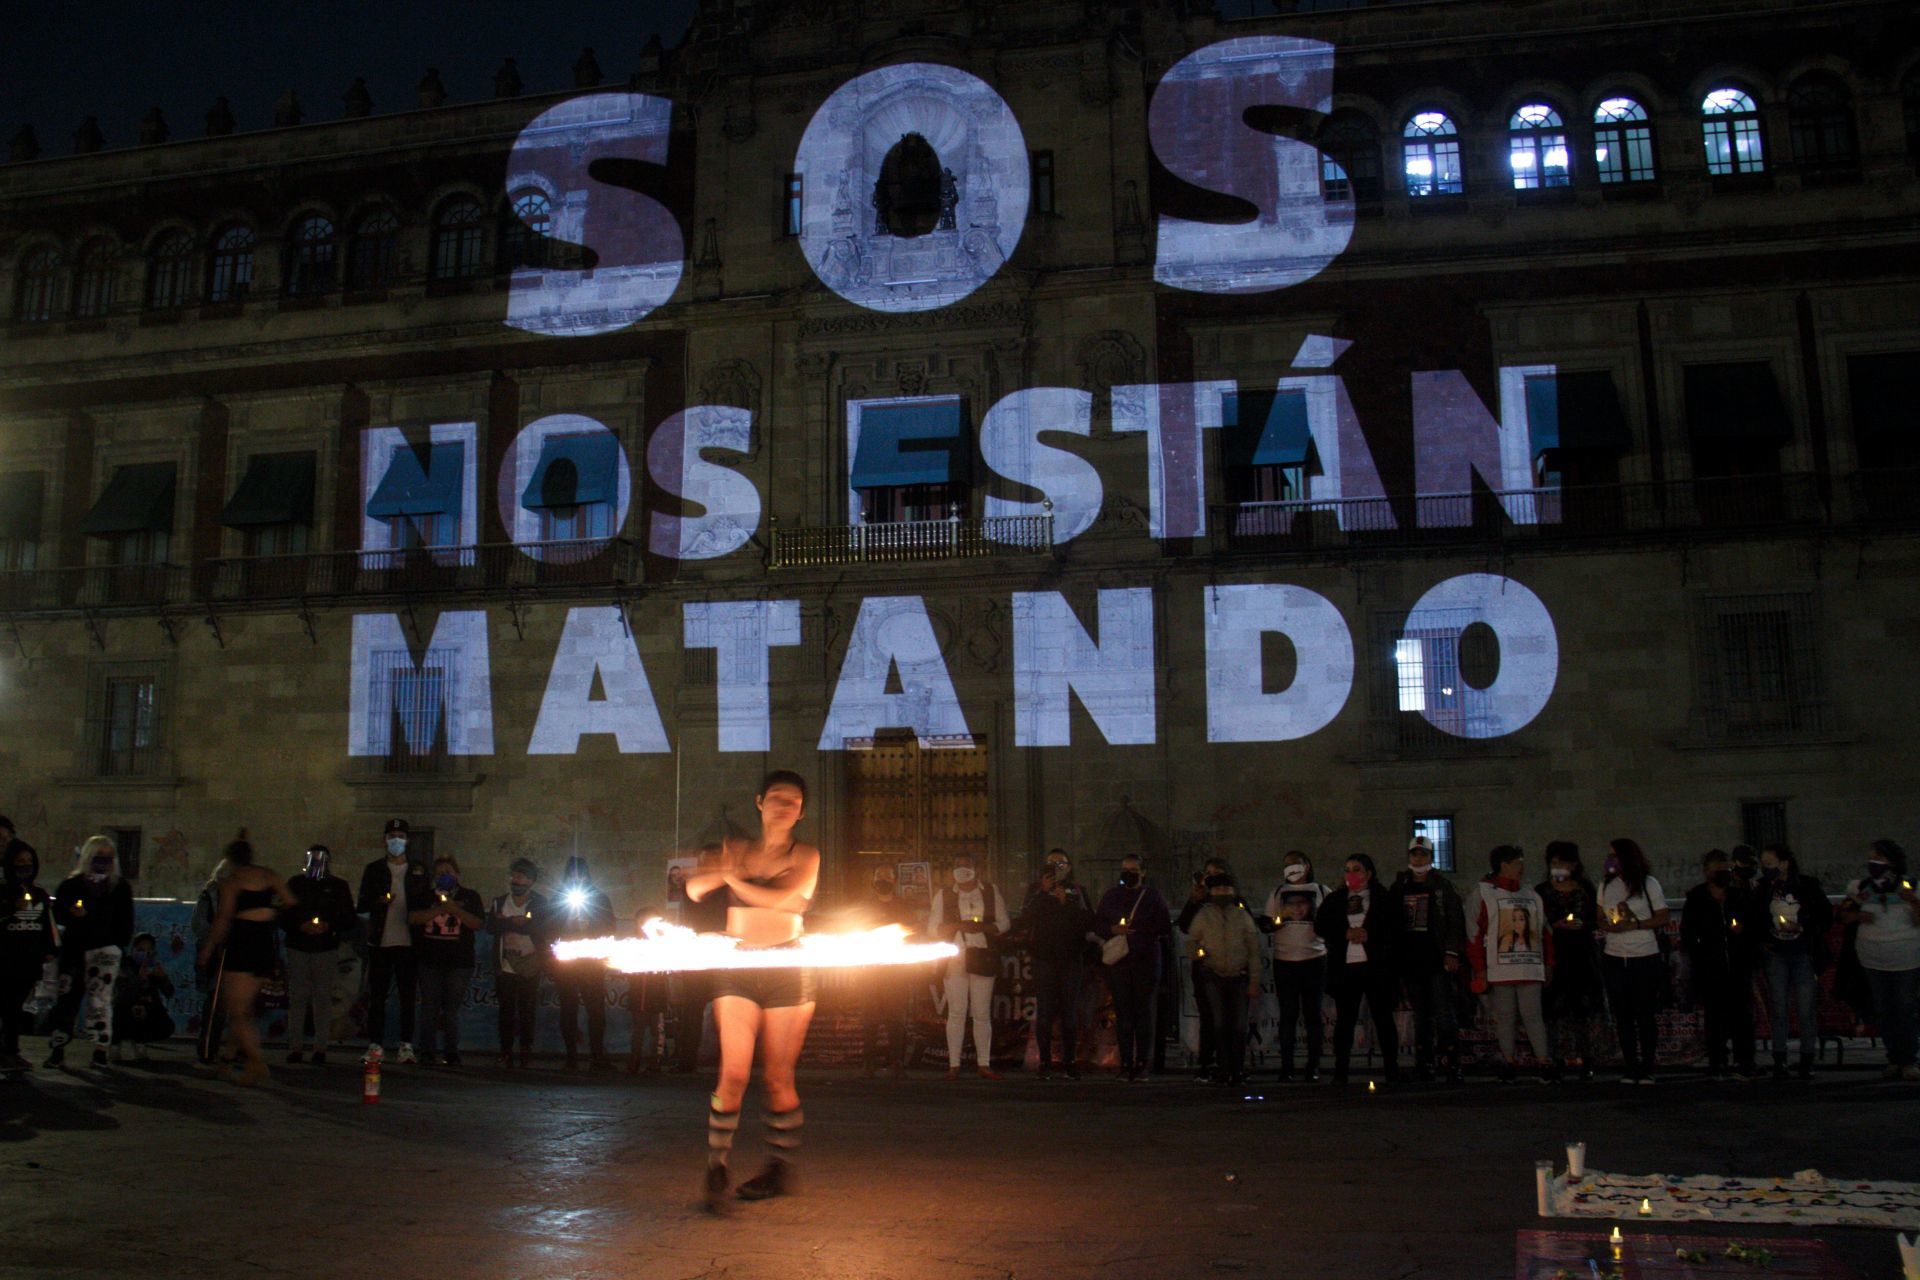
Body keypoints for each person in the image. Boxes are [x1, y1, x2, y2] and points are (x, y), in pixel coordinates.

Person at [684, 770, 821, 1209]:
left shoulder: (807, 854)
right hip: (738, 966)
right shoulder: (736, 849)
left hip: (788, 965)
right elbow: (693, 887)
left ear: (801, 811)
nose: (785, 805)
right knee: (734, 1072)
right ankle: (716, 1165)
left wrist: (733, 877)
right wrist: (715, 872)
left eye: (794, 801)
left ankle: (778, 1167)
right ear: (759, 802)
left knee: (778, 1077)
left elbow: (782, 897)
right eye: (778, 797)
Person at [198, 832, 297, 1084]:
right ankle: (227, 1060)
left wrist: (209, 948)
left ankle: (256, 1062)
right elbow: (290, 901)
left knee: (238, 1010)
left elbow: (223, 918)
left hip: (242, 943)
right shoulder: (268, 874)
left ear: (230, 859)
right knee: (241, 1006)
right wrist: (269, 912)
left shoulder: (233, 881)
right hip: (264, 942)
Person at [46, 835, 136, 1068]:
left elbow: (125, 920)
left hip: (104, 949)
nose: (103, 862)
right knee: (67, 999)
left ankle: (99, 1051)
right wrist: (73, 916)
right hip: (76, 948)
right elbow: (58, 914)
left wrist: (117, 945)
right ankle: (58, 1049)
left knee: (100, 1001)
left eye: (108, 858)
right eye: (99, 857)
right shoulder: (72, 885)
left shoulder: (119, 887)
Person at [1466, 845, 1554, 1083]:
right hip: (1501, 969)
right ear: (1504, 865)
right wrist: (1481, 968)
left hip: (1526, 967)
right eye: (1518, 862)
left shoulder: (1531, 895)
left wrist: (1548, 963)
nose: (1522, 867)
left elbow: (1545, 933)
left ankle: (1542, 1062)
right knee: (1506, 1017)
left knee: (1531, 1015)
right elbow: (1473, 935)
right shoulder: (1483, 894)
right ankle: (1510, 1061)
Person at [1315, 854, 1401, 1086]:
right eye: (1347, 870)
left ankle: (1392, 1069)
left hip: (1376, 968)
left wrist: (1370, 935)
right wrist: (1344, 933)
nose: (1351, 874)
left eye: (1356, 869)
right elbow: (1320, 924)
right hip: (1346, 968)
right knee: (1345, 1020)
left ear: (1369, 874)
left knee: (1383, 1019)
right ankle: (1341, 1071)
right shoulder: (1335, 900)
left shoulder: (1383, 898)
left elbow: (1396, 926)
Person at [1388, 837, 1467, 1082]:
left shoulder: (1442, 886)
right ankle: (1425, 1062)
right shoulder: (1400, 885)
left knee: (1443, 1011)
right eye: (1414, 854)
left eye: (1422, 854)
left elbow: (1455, 920)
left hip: (1436, 957)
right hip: (1412, 958)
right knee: (1421, 1014)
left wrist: (1451, 952)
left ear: (1430, 857)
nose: (1418, 859)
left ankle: (1451, 1062)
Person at [1840, 840, 1919, 1081]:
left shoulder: (1911, 886)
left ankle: (1908, 1059)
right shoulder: (1861, 887)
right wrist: (1857, 915)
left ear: (1892, 861)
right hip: (1873, 959)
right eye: (1871, 858)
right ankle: (1893, 1058)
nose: (1873, 863)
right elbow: (1844, 915)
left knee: (1905, 1009)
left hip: (1906, 958)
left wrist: (1912, 900)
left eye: (1879, 858)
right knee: (1884, 1010)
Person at [1753, 844, 1832, 1081]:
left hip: (1802, 952)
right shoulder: (1764, 888)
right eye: (1764, 865)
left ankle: (1807, 1058)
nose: (1766, 869)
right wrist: (1764, 939)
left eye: (1770, 864)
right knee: (1778, 1007)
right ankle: (1780, 1058)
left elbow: (1825, 916)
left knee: (1806, 1008)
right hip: (1776, 952)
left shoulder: (1807, 885)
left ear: (1784, 863)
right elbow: (1756, 916)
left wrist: (1803, 928)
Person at [928, 851, 1009, 1080]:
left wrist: (982, 928)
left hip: (982, 955)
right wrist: (955, 926)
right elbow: (931, 929)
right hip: (955, 957)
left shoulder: (991, 892)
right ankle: (953, 1065)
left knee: (981, 1012)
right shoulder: (943, 895)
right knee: (956, 1011)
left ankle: (984, 1064)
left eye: (966, 865)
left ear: (976, 869)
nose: (961, 869)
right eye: (957, 865)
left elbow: (1004, 923)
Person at [1681, 849, 1760, 1081]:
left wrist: (1742, 932)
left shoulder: (1739, 896)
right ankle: (1717, 1061)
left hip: (1738, 964)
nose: (1724, 874)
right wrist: (1700, 950)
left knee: (1742, 1016)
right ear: (1707, 873)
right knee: (1715, 1017)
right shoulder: (1697, 898)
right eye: (1719, 871)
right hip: (1710, 967)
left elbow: (1753, 927)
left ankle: (1744, 1060)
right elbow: (1688, 933)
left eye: (1727, 870)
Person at [1015, 850, 1095, 1080]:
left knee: (1069, 1011)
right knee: (1045, 1011)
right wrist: (1043, 892)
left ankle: (1070, 1061)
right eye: (1051, 863)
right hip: (1044, 959)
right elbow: (1026, 917)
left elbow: (1089, 921)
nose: (1056, 867)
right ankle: (1045, 1062)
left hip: (1071, 958)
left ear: (1069, 867)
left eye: (1061, 863)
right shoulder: (1036, 890)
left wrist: (1065, 902)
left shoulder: (1079, 892)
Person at [1597, 837, 1670, 1085]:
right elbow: (1600, 916)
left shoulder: (1648, 884)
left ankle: (1647, 1065)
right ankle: (1630, 1065)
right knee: (1623, 1014)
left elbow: (1662, 916)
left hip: (1643, 954)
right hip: (1615, 956)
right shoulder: (1605, 885)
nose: (1610, 860)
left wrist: (1636, 924)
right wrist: (1608, 925)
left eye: (1614, 856)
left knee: (1644, 1013)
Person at [358, 817, 430, 1065]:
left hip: (409, 943)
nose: (396, 841)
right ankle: (375, 1045)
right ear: (384, 840)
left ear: (407, 840)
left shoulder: (418, 869)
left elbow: (426, 902)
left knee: (408, 997)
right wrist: (378, 903)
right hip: (381, 942)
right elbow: (362, 906)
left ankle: (406, 1046)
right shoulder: (374, 869)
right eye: (391, 837)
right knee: (377, 996)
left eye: (400, 836)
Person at [1096, 854, 1170, 1081]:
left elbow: (1164, 925)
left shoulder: (1152, 896)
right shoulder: (1111, 896)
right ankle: (1126, 1062)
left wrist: (1138, 928)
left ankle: (1143, 1063)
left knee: (1144, 1013)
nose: (1128, 873)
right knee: (1124, 1013)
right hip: (1120, 963)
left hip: (1145, 960)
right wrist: (1113, 930)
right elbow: (1098, 923)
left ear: (1143, 872)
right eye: (1124, 869)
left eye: (1133, 869)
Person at [281, 843, 355, 1065]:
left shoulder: (338, 886)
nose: (315, 863)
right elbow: (283, 913)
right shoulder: (295, 884)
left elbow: (348, 917)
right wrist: (299, 926)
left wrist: (328, 925)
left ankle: (320, 1047)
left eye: (320, 859)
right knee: (298, 998)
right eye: (312, 859)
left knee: (322, 998)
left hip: (325, 947)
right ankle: (295, 1046)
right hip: (298, 946)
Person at [1186, 872, 1262, 1085]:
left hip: (1238, 975)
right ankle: (1223, 1068)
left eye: (1225, 889)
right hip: (1213, 974)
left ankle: (1237, 1069)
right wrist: (1198, 953)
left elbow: (1254, 950)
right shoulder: (1203, 916)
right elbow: (1191, 941)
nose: (1221, 893)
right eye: (1217, 889)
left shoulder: (1242, 917)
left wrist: (1254, 980)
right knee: (1219, 1024)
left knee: (1238, 1025)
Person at [1537, 841, 1603, 1081]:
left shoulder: (1585, 888)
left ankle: (1587, 1058)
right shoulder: (1542, 890)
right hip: (1556, 953)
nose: (1559, 867)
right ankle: (1556, 1059)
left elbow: (1597, 918)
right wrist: (1555, 924)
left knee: (1583, 1008)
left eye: (1563, 863)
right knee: (1555, 1009)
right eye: (1555, 863)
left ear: (1574, 865)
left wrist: (1583, 924)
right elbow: (1538, 921)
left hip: (1582, 953)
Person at [410, 855, 484, 1067]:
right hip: (430, 960)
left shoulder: (470, 896)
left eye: (448, 872)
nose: (445, 876)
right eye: (440, 873)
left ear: (457, 874)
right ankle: (427, 1051)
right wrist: (439, 909)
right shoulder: (425, 895)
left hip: (459, 962)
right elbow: (413, 918)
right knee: (429, 1008)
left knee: (452, 1009)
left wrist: (454, 909)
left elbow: (477, 923)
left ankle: (451, 1052)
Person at [545, 853, 616, 1071]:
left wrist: (590, 928)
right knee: (568, 1008)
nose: (577, 879)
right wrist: (567, 925)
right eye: (572, 875)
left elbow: (609, 928)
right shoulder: (558, 899)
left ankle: (597, 1055)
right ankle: (571, 1056)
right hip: (566, 963)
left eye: (581, 875)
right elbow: (548, 929)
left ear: (588, 876)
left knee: (596, 1009)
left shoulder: (600, 899)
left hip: (591, 962)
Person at [1265, 852, 1326, 1082]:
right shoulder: (1278, 893)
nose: (1291, 868)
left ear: (1307, 866)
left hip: (1314, 958)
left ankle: (1313, 1065)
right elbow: (1270, 921)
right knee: (1288, 1015)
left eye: (1296, 863)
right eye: (1287, 864)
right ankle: (1287, 1066)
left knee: (1313, 1014)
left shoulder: (1321, 891)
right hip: (1285, 960)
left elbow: (1329, 920)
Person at [857, 861, 921, 1077]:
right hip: (870, 971)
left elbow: (914, 933)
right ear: (873, 881)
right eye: (878, 876)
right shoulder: (864, 907)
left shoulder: (904, 907)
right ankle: (868, 1064)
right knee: (869, 1019)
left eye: (886, 876)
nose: (882, 880)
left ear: (894, 881)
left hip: (896, 973)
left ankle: (897, 1063)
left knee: (896, 1018)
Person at [2, 839, 59, 1073]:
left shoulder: (39, 894)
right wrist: (10, 908)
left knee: (15, 1007)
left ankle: (11, 1052)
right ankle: (7, 1051)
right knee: (6, 1006)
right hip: (6, 958)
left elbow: (48, 925)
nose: (24, 866)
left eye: (28, 862)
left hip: (29, 960)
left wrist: (50, 950)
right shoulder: (3, 891)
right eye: (19, 862)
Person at [671, 843, 729, 1072]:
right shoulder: (695, 887)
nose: (706, 866)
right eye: (704, 861)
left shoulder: (727, 887)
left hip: (723, 956)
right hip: (699, 956)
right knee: (692, 1012)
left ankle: (728, 1061)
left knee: (728, 1013)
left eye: (710, 861)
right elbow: (689, 917)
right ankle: (687, 1061)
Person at [486, 858, 545, 1069]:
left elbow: (539, 927)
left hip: (531, 961)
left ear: (531, 880)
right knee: (506, 1010)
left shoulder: (540, 902)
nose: (516, 880)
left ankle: (526, 1050)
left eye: (521, 876)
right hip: (506, 962)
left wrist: (508, 923)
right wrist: (513, 922)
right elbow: (492, 926)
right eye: (514, 876)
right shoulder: (499, 901)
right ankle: (506, 1051)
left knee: (527, 1009)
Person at [112, 933, 175, 1061]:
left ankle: (140, 1041)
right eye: (140, 950)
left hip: (144, 1013)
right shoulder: (124, 966)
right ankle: (115, 1043)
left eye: (148, 950)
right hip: (124, 1013)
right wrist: (138, 980)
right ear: (133, 949)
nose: (144, 954)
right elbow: (122, 996)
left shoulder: (152, 967)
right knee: (120, 1010)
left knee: (163, 1022)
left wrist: (163, 978)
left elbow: (169, 993)